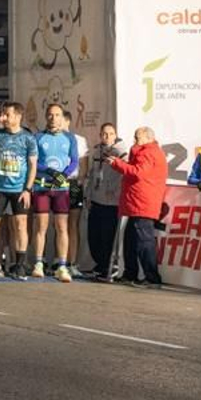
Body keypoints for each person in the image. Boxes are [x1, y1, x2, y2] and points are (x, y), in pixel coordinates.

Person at [0, 102, 38, 277]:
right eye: (2, 115)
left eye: (7, 115)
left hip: (19, 189)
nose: (3, 118)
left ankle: (20, 265)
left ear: (18, 117)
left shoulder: (28, 138)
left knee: (20, 226)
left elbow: (33, 165)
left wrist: (27, 189)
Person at [108, 126, 168, 288]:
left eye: (138, 137)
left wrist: (117, 164)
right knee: (131, 239)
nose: (135, 140)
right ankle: (130, 273)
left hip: (143, 201)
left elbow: (138, 172)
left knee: (144, 241)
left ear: (148, 138)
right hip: (138, 201)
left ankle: (152, 277)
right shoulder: (147, 152)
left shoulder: (149, 152)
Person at [30, 103, 79, 282]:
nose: (53, 118)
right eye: (50, 115)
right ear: (46, 116)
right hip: (42, 186)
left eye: (57, 115)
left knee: (62, 227)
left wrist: (64, 175)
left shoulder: (69, 138)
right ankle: (38, 263)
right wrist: (50, 171)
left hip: (61, 188)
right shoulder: (38, 137)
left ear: (62, 117)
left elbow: (74, 161)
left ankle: (62, 266)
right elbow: (34, 161)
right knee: (41, 227)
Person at [84, 123, 127, 279]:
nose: (107, 137)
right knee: (93, 235)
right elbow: (91, 174)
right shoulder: (97, 151)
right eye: (104, 134)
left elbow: (125, 174)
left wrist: (115, 191)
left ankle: (106, 266)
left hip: (111, 202)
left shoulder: (121, 152)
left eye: (110, 134)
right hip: (96, 198)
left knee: (107, 236)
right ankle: (99, 264)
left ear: (115, 135)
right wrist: (88, 195)